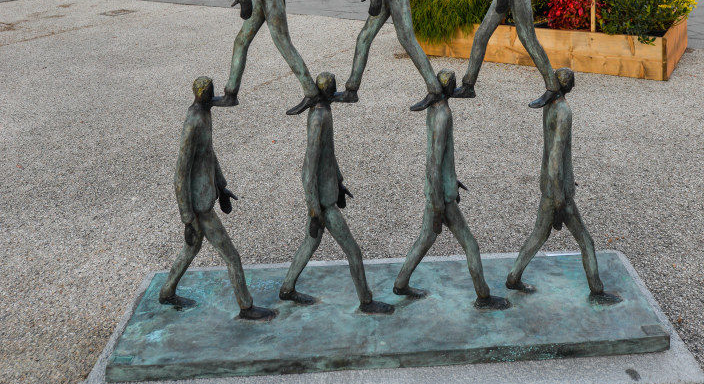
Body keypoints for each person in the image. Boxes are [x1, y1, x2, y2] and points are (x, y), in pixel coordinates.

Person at [159, 77, 275, 320]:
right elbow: (180, 174)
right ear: (204, 95)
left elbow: (209, 154)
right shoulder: (193, 122)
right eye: (212, 93)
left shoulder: (205, 115)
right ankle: (246, 306)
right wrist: (187, 218)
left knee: (191, 250)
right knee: (232, 256)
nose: (215, 96)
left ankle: (167, 291)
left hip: (205, 200)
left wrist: (221, 186)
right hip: (199, 208)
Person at [280, 72, 394, 314]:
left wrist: (339, 181)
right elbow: (308, 170)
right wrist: (314, 210)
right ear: (328, 93)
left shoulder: (324, 112)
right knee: (353, 251)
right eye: (334, 90)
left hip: (326, 195)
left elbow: (328, 153)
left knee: (309, 244)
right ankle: (366, 301)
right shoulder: (319, 117)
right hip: (323, 205)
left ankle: (287, 288)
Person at [393, 70, 509, 309]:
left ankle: (401, 282)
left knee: (425, 240)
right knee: (470, 245)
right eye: (454, 84)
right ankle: (483, 296)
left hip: (439, 191)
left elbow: (441, 160)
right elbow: (434, 162)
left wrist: (451, 179)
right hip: (441, 199)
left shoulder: (434, 109)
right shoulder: (443, 114)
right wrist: (437, 204)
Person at [506, 69, 618, 304]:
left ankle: (514, 276)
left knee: (538, 235)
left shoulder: (549, 107)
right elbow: (556, 158)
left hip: (549, 184)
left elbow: (554, 157)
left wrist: (562, 180)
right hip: (559, 193)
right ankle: (597, 291)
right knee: (586, 241)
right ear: (569, 86)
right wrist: (560, 198)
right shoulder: (564, 111)